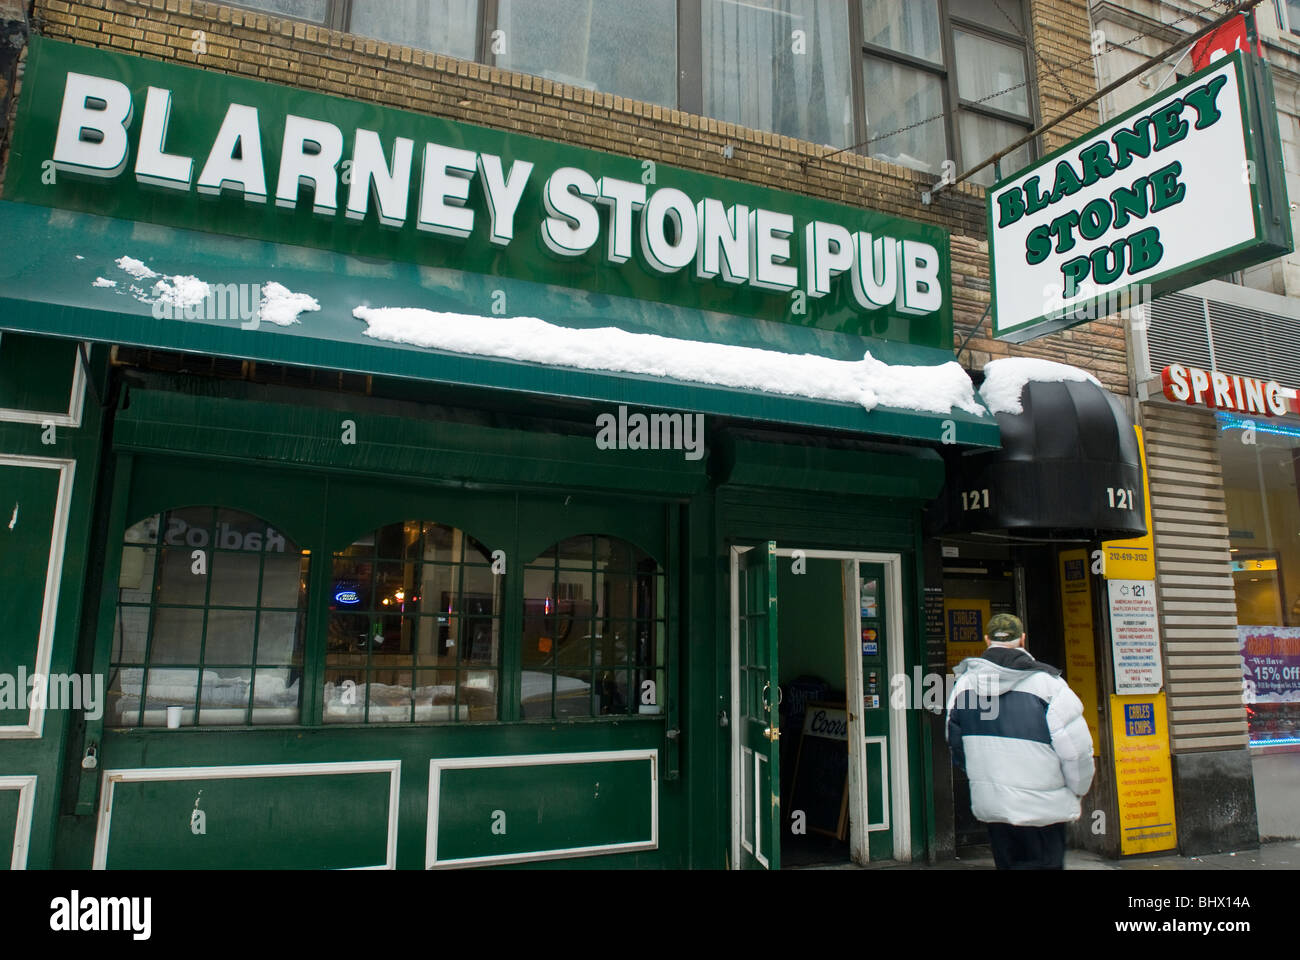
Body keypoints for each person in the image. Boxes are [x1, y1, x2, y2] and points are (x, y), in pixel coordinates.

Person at [945, 613, 1094, 870]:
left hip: (996, 809)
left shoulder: (963, 686)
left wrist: (988, 781)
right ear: (1023, 639)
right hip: (1044, 814)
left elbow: (956, 747)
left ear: (987, 639)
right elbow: (1077, 752)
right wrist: (1077, 789)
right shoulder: (1050, 686)